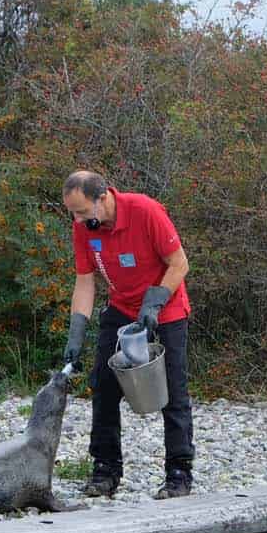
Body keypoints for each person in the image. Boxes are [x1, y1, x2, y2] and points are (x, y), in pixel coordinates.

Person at [61, 170, 194, 499]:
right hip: (121, 307)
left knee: (173, 390)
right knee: (103, 385)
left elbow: (179, 264)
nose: (77, 220)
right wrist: (76, 334)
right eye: (72, 214)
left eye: (81, 211)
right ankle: (105, 468)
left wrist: (155, 303)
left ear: (102, 198)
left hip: (166, 303)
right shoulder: (86, 229)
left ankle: (179, 472)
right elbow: (85, 281)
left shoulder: (145, 211)